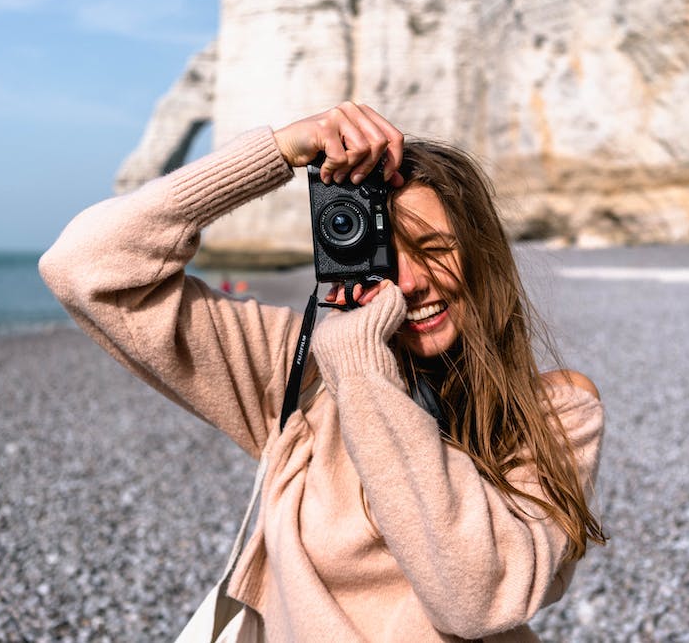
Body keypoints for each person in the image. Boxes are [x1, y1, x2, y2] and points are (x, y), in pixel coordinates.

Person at [40, 101, 606, 641]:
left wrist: (361, 369)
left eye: (434, 248)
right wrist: (280, 150)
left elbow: (475, 600)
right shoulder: (302, 372)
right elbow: (84, 266)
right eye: (383, 253)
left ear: (481, 252)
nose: (409, 284)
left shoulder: (554, 413)